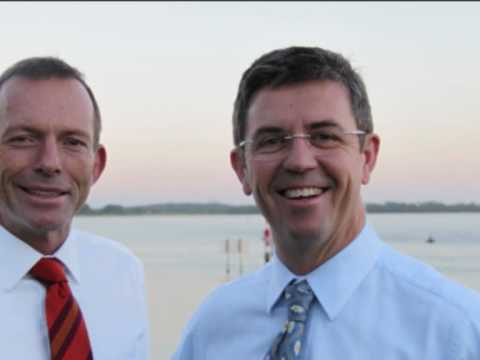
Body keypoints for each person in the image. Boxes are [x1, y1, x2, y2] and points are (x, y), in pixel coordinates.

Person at [173, 46, 480, 359]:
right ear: (242, 169)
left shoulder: (456, 333)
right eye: (271, 140)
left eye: (324, 136)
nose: (300, 162)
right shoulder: (211, 330)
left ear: (367, 157)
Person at [0, 57, 149, 359]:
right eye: (24, 139)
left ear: (97, 165)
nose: (50, 162)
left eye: (73, 142)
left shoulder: (122, 271)